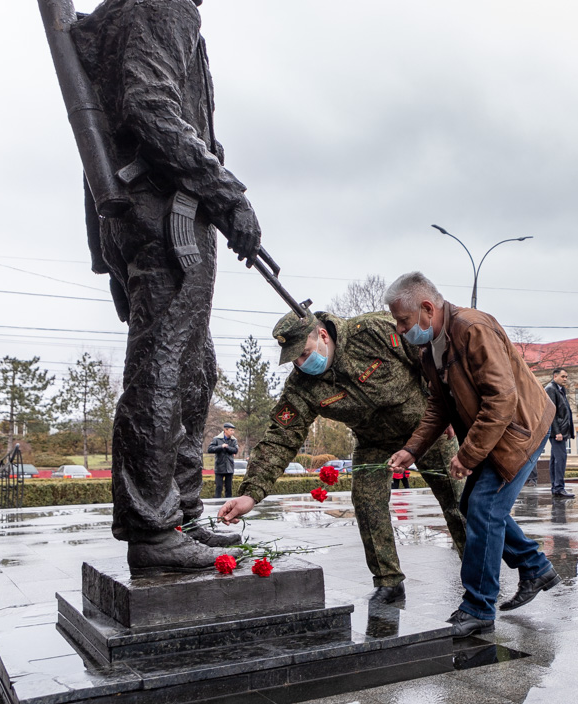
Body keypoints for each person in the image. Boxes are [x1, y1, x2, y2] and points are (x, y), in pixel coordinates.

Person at [73, 0, 263, 568]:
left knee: (196, 367)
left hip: (149, 214)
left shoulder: (131, 9)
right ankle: (153, 530)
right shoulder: (163, 6)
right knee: (164, 367)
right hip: (166, 215)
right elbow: (150, 111)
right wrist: (226, 192)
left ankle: (179, 513)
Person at [217, 308, 467, 605]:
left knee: (458, 502)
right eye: (294, 358)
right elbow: (279, 439)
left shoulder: (371, 331)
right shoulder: (301, 386)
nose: (301, 363)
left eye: (305, 353)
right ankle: (388, 582)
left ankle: (478, 576)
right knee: (366, 501)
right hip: (374, 440)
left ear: (322, 335)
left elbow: (431, 357)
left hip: (427, 427)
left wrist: (450, 405)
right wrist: (251, 495)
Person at [383, 272, 560, 637]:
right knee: (472, 508)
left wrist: (467, 456)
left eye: (403, 320)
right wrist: (411, 450)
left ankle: (478, 607)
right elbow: (439, 407)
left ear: (427, 308)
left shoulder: (472, 328)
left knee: (483, 508)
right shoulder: (429, 348)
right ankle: (535, 567)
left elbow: (502, 399)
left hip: (520, 428)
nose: (400, 329)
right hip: (495, 430)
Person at [545, 368, 576, 499]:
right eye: (563, 376)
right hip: (558, 432)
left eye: (566, 377)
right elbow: (551, 412)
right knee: (561, 459)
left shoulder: (560, 389)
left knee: (555, 460)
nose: (565, 379)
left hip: (561, 431)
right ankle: (559, 488)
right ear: (555, 376)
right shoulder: (551, 389)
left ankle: (556, 487)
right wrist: (557, 432)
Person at [207, 422, 238, 498]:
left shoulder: (234, 440)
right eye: (231, 430)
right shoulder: (216, 439)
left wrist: (227, 447)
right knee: (219, 488)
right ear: (225, 430)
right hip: (219, 467)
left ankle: (229, 505)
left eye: (233, 430)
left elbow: (235, 450)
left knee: (229, 489)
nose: (232, 432)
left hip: (229, 467)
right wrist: (221, 447)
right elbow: (210, 449)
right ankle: (217, 505)